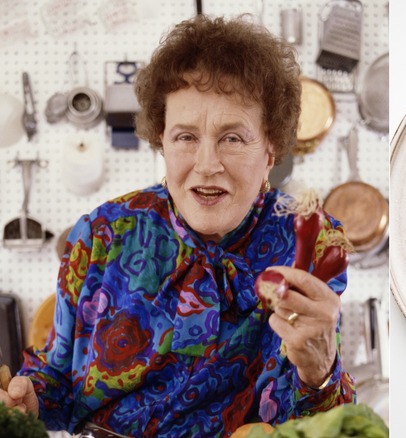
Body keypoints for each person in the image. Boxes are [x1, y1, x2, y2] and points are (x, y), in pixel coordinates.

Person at [0, 15, 355, 436]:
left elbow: (332, 424)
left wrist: (321, 370)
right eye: (186, 137)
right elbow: (57, 380)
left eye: (233, 138)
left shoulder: (311, 242)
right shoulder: (100, 235)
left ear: (272, 149)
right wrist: (30, 401)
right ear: (162, 142)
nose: (207, 165)